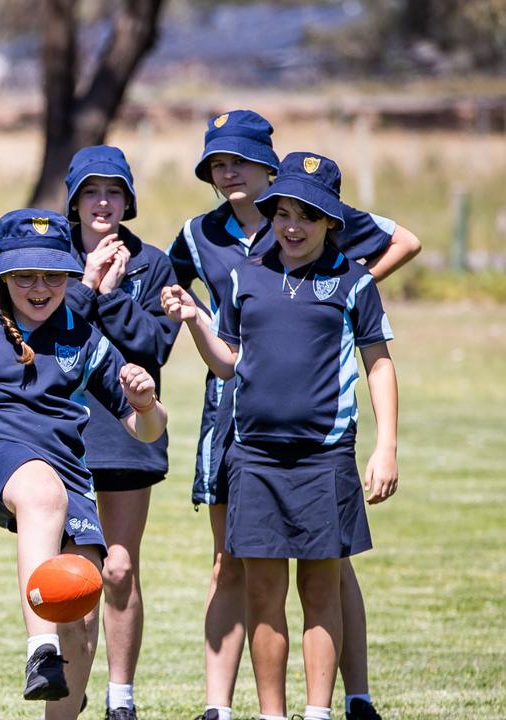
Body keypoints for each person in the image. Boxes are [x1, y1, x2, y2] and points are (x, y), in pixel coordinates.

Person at [168, 111, 419, 720]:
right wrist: (196, 319)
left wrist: (385, 447)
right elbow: (228, 361)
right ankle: (266, 712)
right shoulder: (244, 272)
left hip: (324, 455)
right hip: (250, 453)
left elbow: (380, 361)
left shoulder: (353, 279)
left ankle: (324, 709)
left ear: (330, 222)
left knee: (322, 584)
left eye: (306, 216)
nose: (292, 225)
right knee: (257, 584)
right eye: (283, 213)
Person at [0, 209, 167, 720]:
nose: (39, 287)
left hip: (67, 472)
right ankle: (39, 649)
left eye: (52, 275)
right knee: (42, 493)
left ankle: (60, 704)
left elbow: (145, 431)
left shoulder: (84, 336)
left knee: (80, 603)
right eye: (24, 276)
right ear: (2, 275)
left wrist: (149, 405)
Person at [60, 146, 179, 720]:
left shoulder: (152, 264)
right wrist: (85, 285)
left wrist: (109, 298)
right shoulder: (49, 255)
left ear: (128, 200)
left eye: (112, 192)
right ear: (74, 200)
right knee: (77, 573)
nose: (102, 202)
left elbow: (155, 347)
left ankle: (120, 697)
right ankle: (72, 683)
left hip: (129, 428)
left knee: (121, 566)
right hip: (62, 430)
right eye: (90, 192)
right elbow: (46, 338)